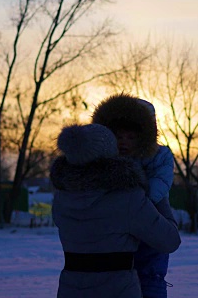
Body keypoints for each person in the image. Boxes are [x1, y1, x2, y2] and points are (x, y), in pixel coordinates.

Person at [51, 123, 181, 298]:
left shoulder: (61, 198)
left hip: (70, 290)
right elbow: (170, 241)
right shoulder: (127, 198)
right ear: (109, 154)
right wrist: (161, 196)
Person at [92, 93, 175, 298]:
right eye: (119, 137)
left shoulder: (159, 155)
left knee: (151, 273)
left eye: (131, 137)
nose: (124, 142)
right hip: (119, 235)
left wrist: (141, 203)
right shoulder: (106, 161)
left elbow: (161, 182)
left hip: (151, 217)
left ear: (144, 136)